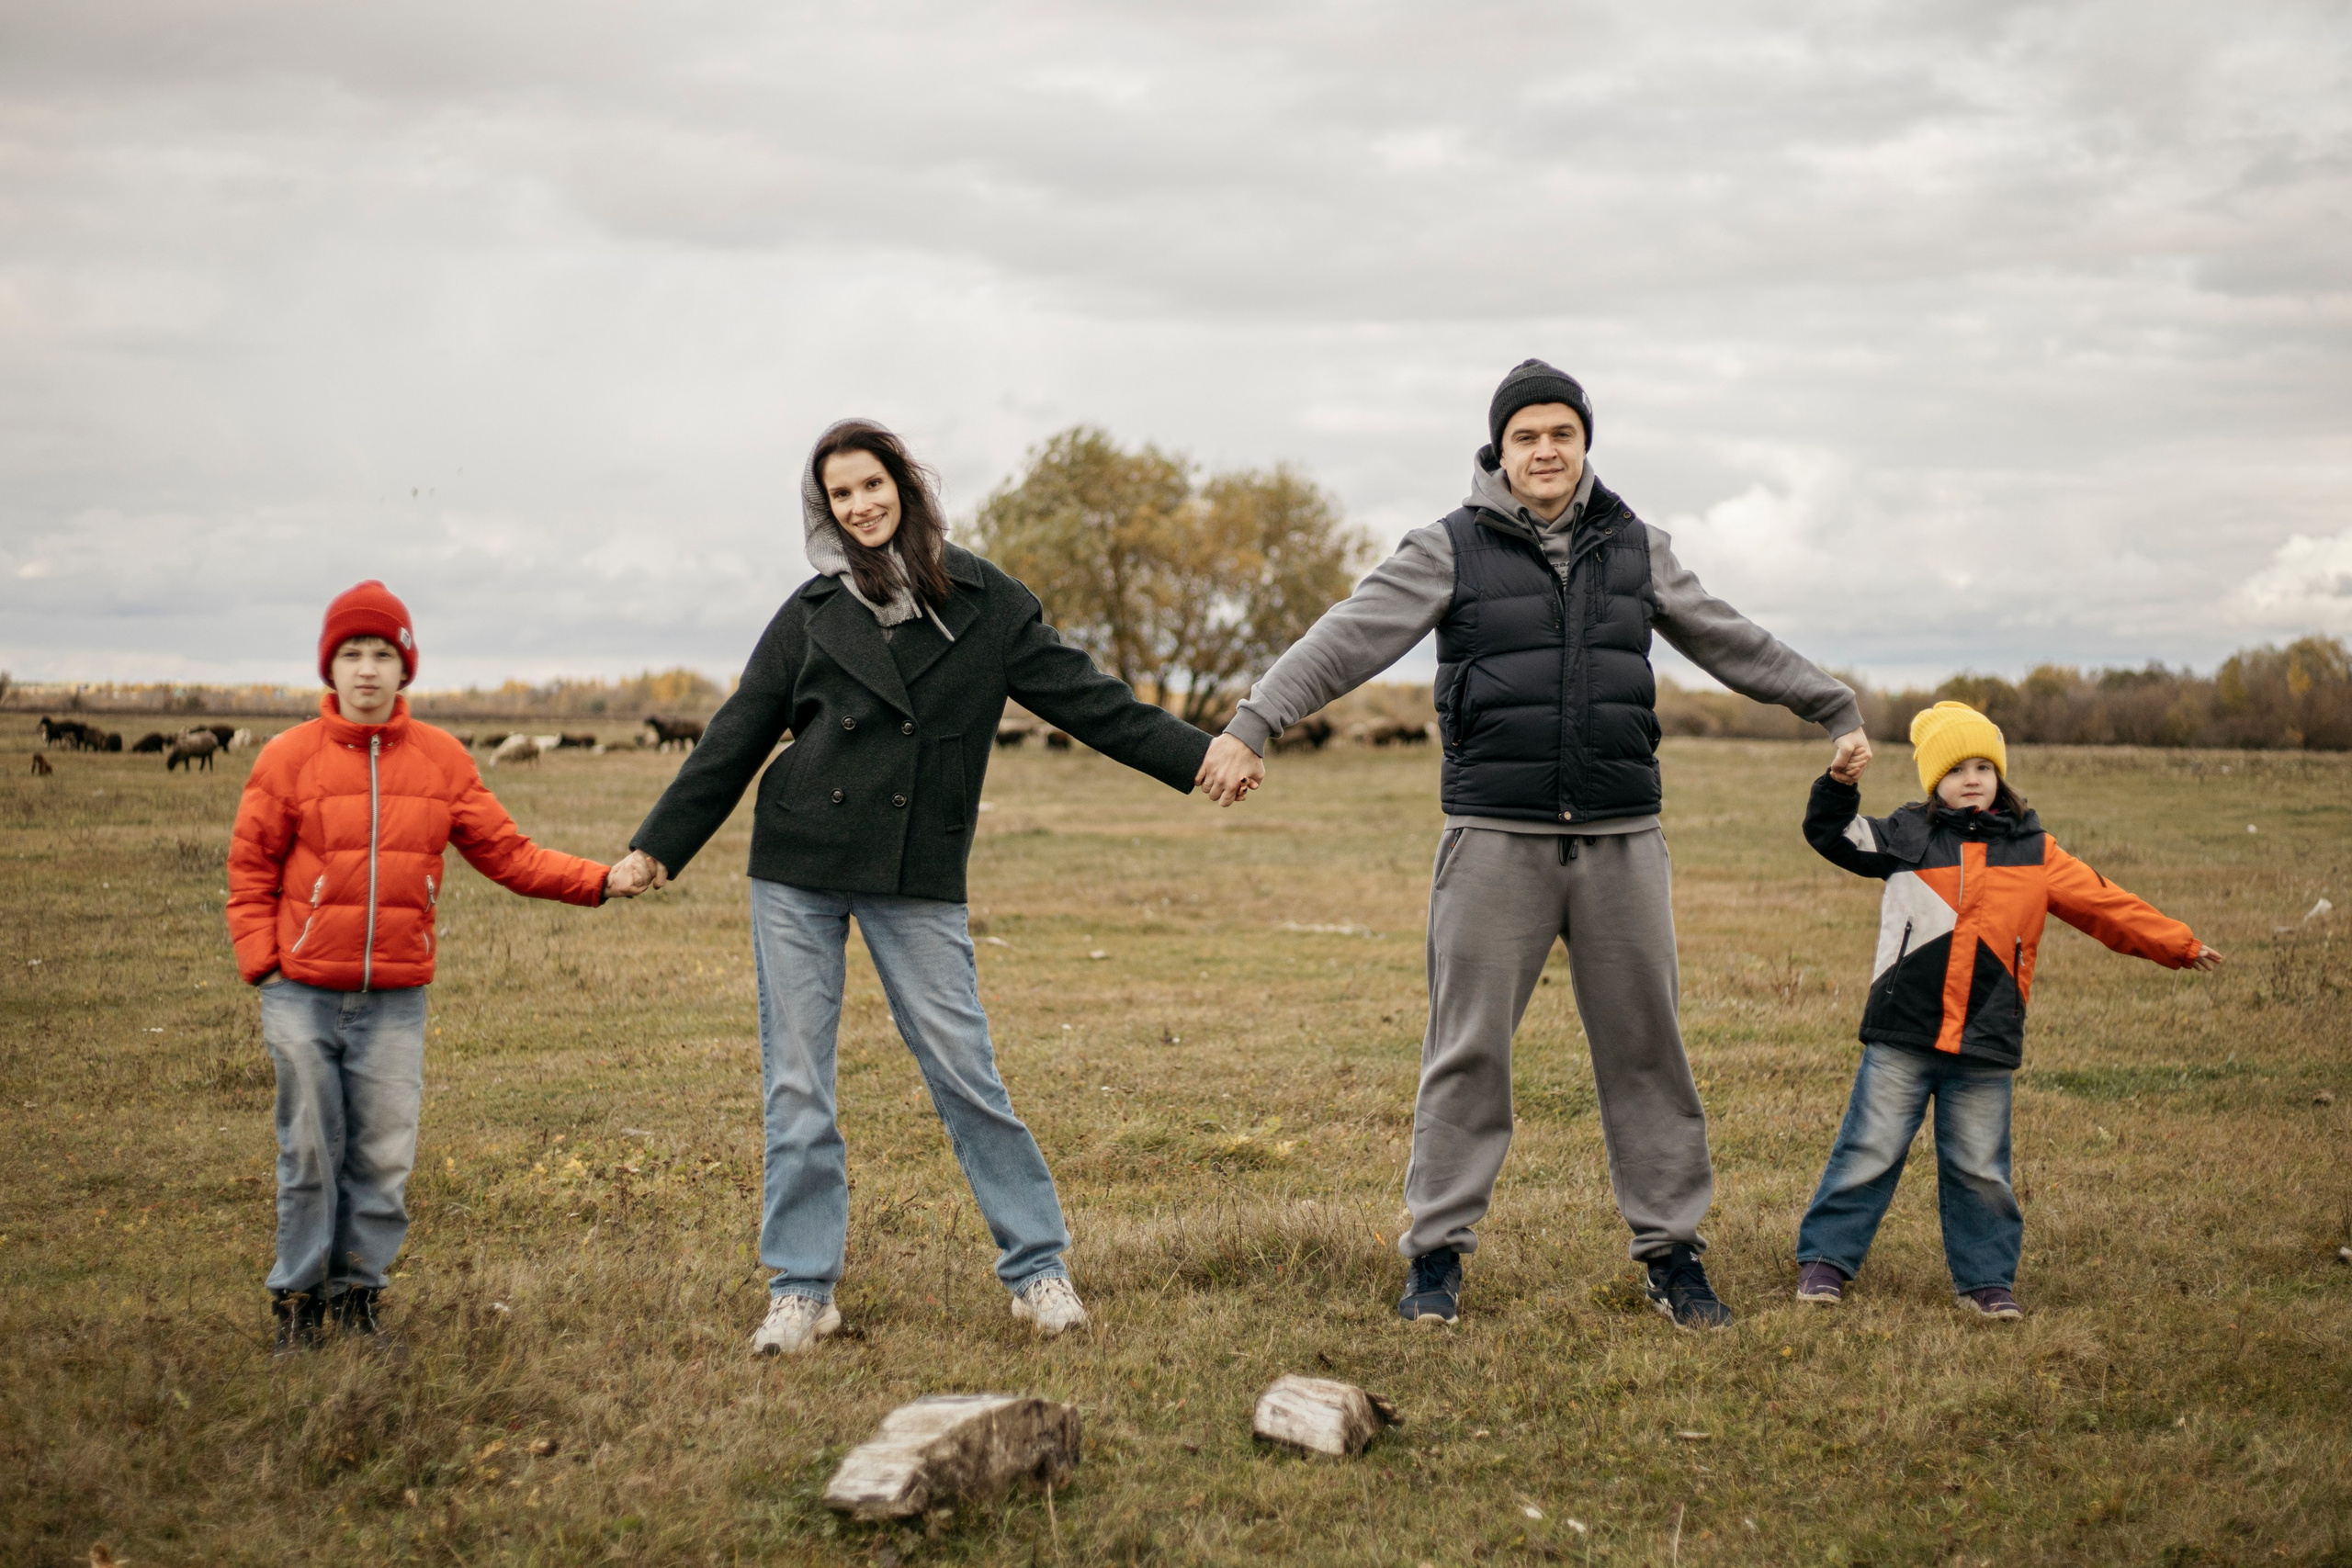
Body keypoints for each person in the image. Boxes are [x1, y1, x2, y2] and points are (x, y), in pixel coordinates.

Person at [1196, 359, 1871, 1329]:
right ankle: (1434, 1257)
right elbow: (1349, 636)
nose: (1544, 451)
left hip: (1621, 839)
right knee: (1465, 1052)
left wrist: (1828, 701)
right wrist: (1255, 720)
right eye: (1526, 436)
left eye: (1560, 433)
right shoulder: (1449, 548)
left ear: (1584, 442)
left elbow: (1726, 635)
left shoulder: (1638, 547)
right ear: (1498, 450)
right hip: (1492, 841)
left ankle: (1673, 1255)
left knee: (1647, 1052)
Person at [612, 419, 1213, 1357]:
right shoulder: (812, 612)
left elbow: (1090, 701)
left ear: (906, 485)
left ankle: (1037, 1270)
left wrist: (1199, 758)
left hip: (915, 869)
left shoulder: (986, 602)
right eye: (839, 495)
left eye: (870, 485)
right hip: (798, 864)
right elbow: (736, 734)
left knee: (965, 1071)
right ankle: (802, 1290)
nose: (858, 506)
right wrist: (658, 847)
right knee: (798, 1083)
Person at [227, 581, 646, 1353]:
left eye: (382, 653)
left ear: (404, 665)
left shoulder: (443, 760)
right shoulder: (287, 758)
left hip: (394, 995)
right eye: (351, 653)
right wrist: (265, 966)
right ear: (330, 666)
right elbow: (250, 870)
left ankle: (358, 1294)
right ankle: (297, 1302)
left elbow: (510, 855)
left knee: (383, 1151)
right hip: (302, 990)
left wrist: (598, 879)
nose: (366, 669)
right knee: (311, 1145)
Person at [1793, 702, 2222, 1319]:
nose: (1972, 778)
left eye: (1983, 766)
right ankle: (1825, 1263)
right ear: (1932, 780)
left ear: (2000, 775)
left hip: (1985, 1038)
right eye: (1956, 768)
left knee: (1980, 1167)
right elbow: (1830, 835)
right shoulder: (1904, 835)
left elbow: (2107, 906)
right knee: (1868, 1148)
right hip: (1902, 1032)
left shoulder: (2034, 850)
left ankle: (1987, 1279)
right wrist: (1839, 783)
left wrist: (2179, 943)